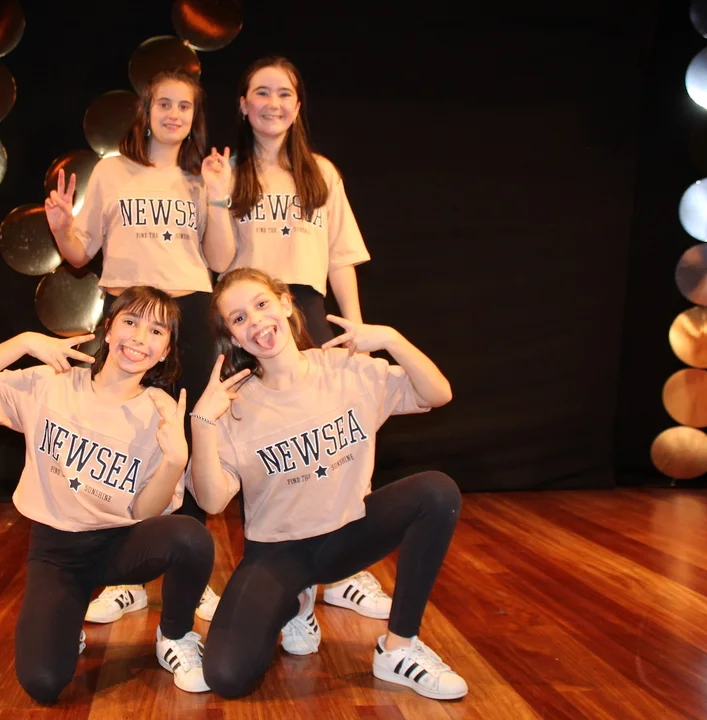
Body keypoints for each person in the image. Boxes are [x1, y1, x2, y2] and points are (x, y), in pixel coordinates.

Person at [188, 268, 467, 701]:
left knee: (436, 491)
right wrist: (203, 422)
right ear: (232, 336)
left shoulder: (345, 370)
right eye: (239, 318)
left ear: (285, 303)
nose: (256, 321)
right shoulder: (234, 404)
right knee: (226, 675)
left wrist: (392, 339)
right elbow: (210, 501)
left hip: (349, 534)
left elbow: (438, 394)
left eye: (262, 304)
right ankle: (296, 602)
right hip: (279, 553)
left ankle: (398, 648)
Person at [0, 287, 214, 702]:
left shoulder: (160, 413)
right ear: (109, 329)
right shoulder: (51, 383)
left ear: (165, 352)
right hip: (57, 554)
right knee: (43, 682)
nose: (140, 337)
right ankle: (66, 620)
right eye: (131, 322)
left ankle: (175, 635)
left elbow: (145, 510)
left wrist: (175, 460)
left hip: (120, 545)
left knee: (191, 537)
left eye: (157, 331)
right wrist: (24, 342)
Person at [202, 55, 391, 621]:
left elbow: (340, 258)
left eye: (284, 93)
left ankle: (343, 570)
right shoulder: (228, 173)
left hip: (303, 307)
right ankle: (284, 574)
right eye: (262, 93)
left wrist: (355, 329)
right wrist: (216, 197)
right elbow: (218, 262)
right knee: (262, 443)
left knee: (335, 438)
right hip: (250, 320)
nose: (274, 104)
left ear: (298, 105)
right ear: (243, 104)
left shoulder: (321, 173)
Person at [45, 68, 235, 623]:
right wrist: (60, 227)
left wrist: (218, 198)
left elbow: (221, 260)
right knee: (123, 438)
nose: (174, 114)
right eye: (164, 104)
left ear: (195, 118)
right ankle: (124, 577)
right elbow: (79, 254)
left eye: (184, 106)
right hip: (130, 317)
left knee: (191, 436)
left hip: (189, 315)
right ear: (146, 111)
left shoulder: (201, 179)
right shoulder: (111, 171)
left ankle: (189, 572)